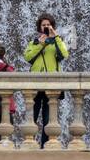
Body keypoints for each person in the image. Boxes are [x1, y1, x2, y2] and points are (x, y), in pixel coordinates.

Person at [24, 14, 68, 148]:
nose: (46, 27)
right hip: (35, 85)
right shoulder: (34, 43)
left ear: (52, 27)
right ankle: (30, 144)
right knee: (32, 117)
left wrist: (56, 38)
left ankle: (45, 146)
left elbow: (65, 54)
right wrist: (41, 44)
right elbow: (27, 57)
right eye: (43, 25)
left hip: (52, 85)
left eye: (48, 25)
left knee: (48, 119)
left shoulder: (57, 43)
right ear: (39, 27)